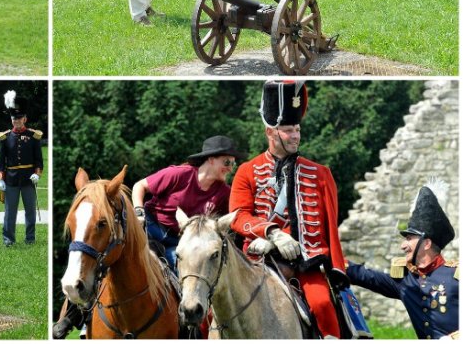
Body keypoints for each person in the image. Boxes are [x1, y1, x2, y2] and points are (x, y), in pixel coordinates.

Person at [229, 81, 347, 338]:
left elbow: (329, 231)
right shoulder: (247, 171)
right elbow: (238, 216)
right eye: (287, 130)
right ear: (270, 132)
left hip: (305, 263)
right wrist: (271, 234)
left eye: (297, 129)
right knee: (214, 312)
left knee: (323, 306)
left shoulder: (320, 174)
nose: (295, 135)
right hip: (258, 260)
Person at [346, 181, 458, 339]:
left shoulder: (456, 276)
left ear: (426, 243)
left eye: (409, 239)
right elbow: (365, 276)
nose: (403, 245)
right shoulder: (406, 280)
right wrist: (332, 259)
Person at [131, 135, 244, 272]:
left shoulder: (224, 193)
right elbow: (140, 186)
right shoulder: (180, 174)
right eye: (227, 162)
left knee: (185, 271)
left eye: (233, 164)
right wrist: (138, 212)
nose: (231, 168)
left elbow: (238, 217)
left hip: (180, 241)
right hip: (150, 227)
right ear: (211, 159)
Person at [0, 90, 43, 247]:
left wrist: (37, 174)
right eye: (14, 118)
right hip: (11, 179)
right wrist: (0, 178)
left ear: (25, 119)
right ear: (11, 120)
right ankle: (8, 239)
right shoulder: (5, 137)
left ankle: (30, 239)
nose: (16, 121)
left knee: (30, 212)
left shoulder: (33, 136)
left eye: (19, 118)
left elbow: (38, 160)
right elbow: (1, 161)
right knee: (10, 212)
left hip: (29, 179)